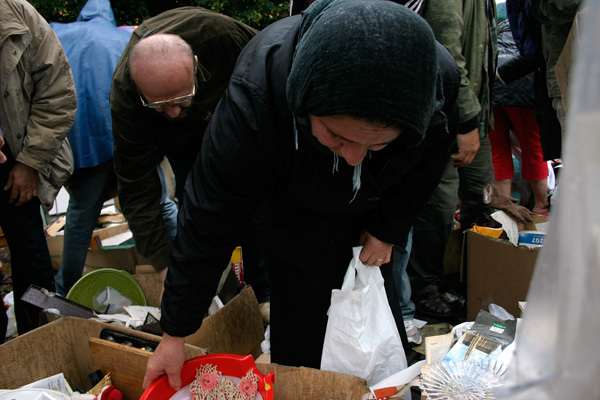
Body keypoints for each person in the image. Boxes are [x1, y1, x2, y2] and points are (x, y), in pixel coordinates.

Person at [143, 0, 461, 389]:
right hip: (290, 207)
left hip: (375, 205)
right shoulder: (257, 97)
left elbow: (430, 160)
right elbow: (209, 217)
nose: (354, 156)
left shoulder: (435, 81)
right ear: (303, 101)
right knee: (301, 330)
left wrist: (388, 226)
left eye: (376, 144)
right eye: (338, 136)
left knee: (376, 312)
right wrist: (175, 331)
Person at [109, 8, 263, 296]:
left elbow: (276, 79)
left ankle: (264, 291)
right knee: (197, 210)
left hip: (236, 119)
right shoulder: (126, 96)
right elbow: (136, 185)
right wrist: (163, 263)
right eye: (159, 106)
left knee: (255, 200)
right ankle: (208, 292)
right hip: (182, 146)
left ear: (194, 64)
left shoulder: (223, 38)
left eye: (181, 99)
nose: (174, 112)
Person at [405, 0, 499, 320]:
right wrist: (466, 120)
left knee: (482, 196)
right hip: (449, 113)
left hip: (475, 111)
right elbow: (445, 50)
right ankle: (426, 289)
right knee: (439, 202)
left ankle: (477, 277)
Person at [0, 0, 76, 341]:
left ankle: (43, 347)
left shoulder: (19, 15)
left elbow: (58, 92)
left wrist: (30, 163)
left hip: (17, 164)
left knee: (32, 264)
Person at [50, 0, 133, 297]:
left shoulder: (61, 35)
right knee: (156, 205)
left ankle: (64, 292)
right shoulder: (124, 37)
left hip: (85, 140)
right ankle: (179, 272)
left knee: (80, 218)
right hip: (126, 137)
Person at [489, 19, 549, 215]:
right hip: (523, 83)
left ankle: (504, 210)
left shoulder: (498, 22)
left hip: (493, 82)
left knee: (498, 152)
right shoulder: (532, 19)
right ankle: (541, 208)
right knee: (533, 148)